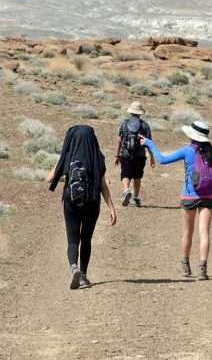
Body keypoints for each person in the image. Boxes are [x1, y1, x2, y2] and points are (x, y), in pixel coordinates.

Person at [140, 120, 212, 281]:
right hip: (209, 196)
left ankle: (185, 265)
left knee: (187, 232)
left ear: (191, 136)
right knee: (204, 233)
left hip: (189, 196)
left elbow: (162, 160)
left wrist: (150, 144)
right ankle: (203, 269)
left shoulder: (187, 151)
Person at [47, 124, 117, 290]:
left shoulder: (69, 156)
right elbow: (103, 186)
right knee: (86, 240)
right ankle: (84, 276)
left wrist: (61, 161)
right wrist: (112, 208)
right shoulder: (97, 158)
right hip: (92, 204)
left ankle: (74, 267)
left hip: (71, 203)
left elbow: (49, 179)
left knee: (73, 240)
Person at [115, 101, 155, 207]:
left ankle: (126, 190)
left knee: (125, 174)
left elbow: (119, 140)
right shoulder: (144, 125)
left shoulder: (124, 124)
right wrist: (152, 157)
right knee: (137, 176)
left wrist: (117, 155)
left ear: (131, 112)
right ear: (140, 113)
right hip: (140, 155)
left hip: (126, 154)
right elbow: (149, 142)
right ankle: (135, 198)